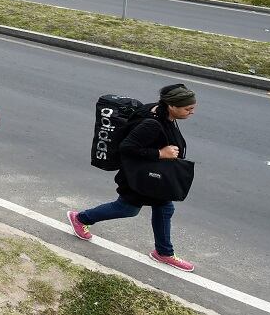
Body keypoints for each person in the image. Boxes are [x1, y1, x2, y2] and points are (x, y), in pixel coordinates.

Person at [68, 84, 198, 272]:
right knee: (127, 209)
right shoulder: (152, 123)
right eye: (188, 109)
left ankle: (164, 252)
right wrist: (160, 153)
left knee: (164, 208)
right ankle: (80, 218)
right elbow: (127, 147)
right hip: (139, 178)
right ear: (171, 106)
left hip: (154, 178)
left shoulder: (163, 113)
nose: (191, 112)